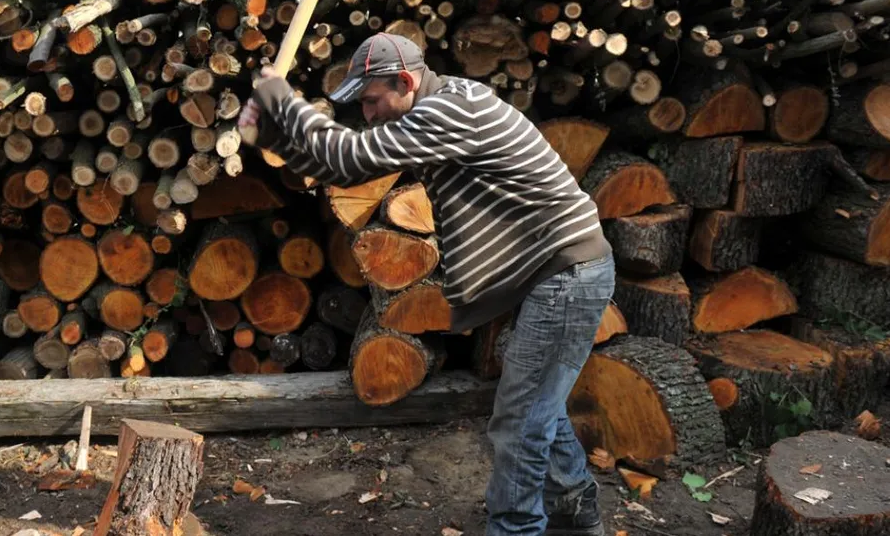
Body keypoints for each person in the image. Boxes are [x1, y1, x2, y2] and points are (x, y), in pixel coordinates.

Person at [238, 32, 614, 536]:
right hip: (552, 272)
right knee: (535, 404)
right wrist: (274, 132)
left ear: (406, 81)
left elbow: (350, 157)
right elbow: (337, 167)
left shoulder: (452, 112)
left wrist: (282, 101)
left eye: (372, 101)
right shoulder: (435, 106)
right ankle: (574, 512)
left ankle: (517, 528)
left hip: (567, 273)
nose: (368, 114)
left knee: (520, 422)